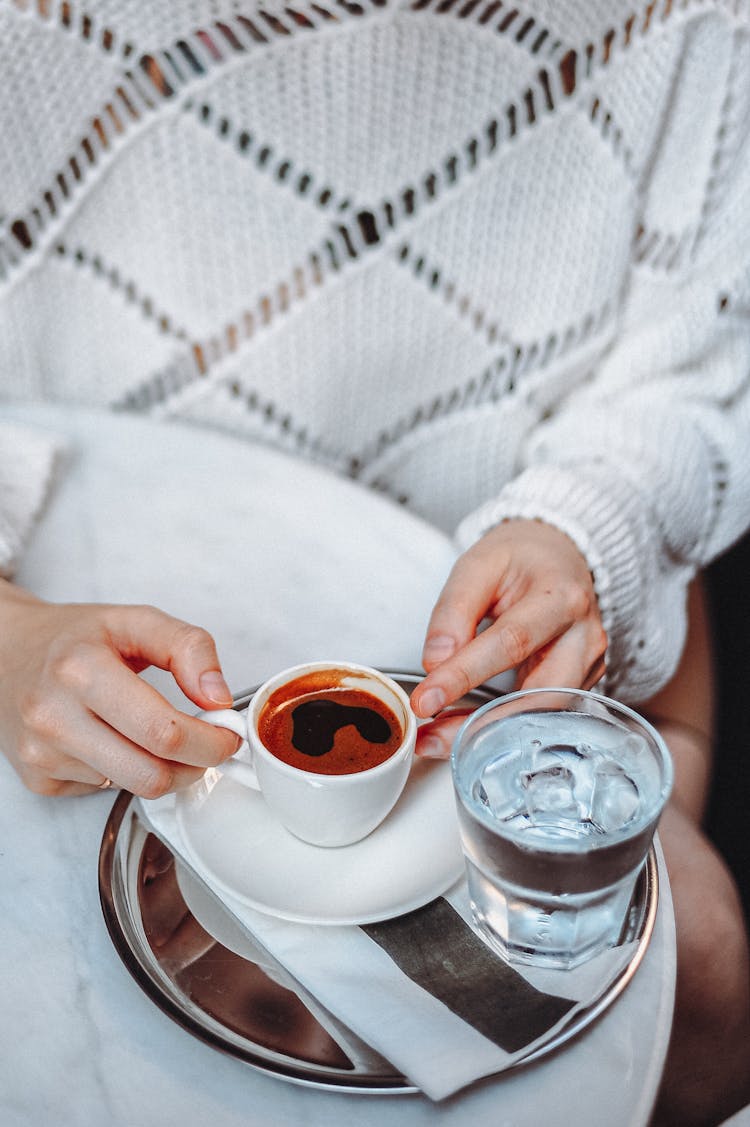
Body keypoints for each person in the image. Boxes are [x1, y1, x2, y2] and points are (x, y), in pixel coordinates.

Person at [0, 2, 748, 1122]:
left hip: (501, 605)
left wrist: (585, 524)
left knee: (712, 971)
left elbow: (690, 359)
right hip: (59, 595)